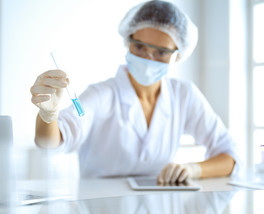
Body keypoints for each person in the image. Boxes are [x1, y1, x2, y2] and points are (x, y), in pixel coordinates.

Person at [30, 0, 240, 183]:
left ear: (178, 54)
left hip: (159, 211)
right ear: (127, 42)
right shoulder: (101, 95)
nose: (149, 58)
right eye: (139, 47)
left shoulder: (184, 95)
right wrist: (48, 115)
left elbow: (230, 157)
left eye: (161, 52)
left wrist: (193, 170)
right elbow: (49, 143)